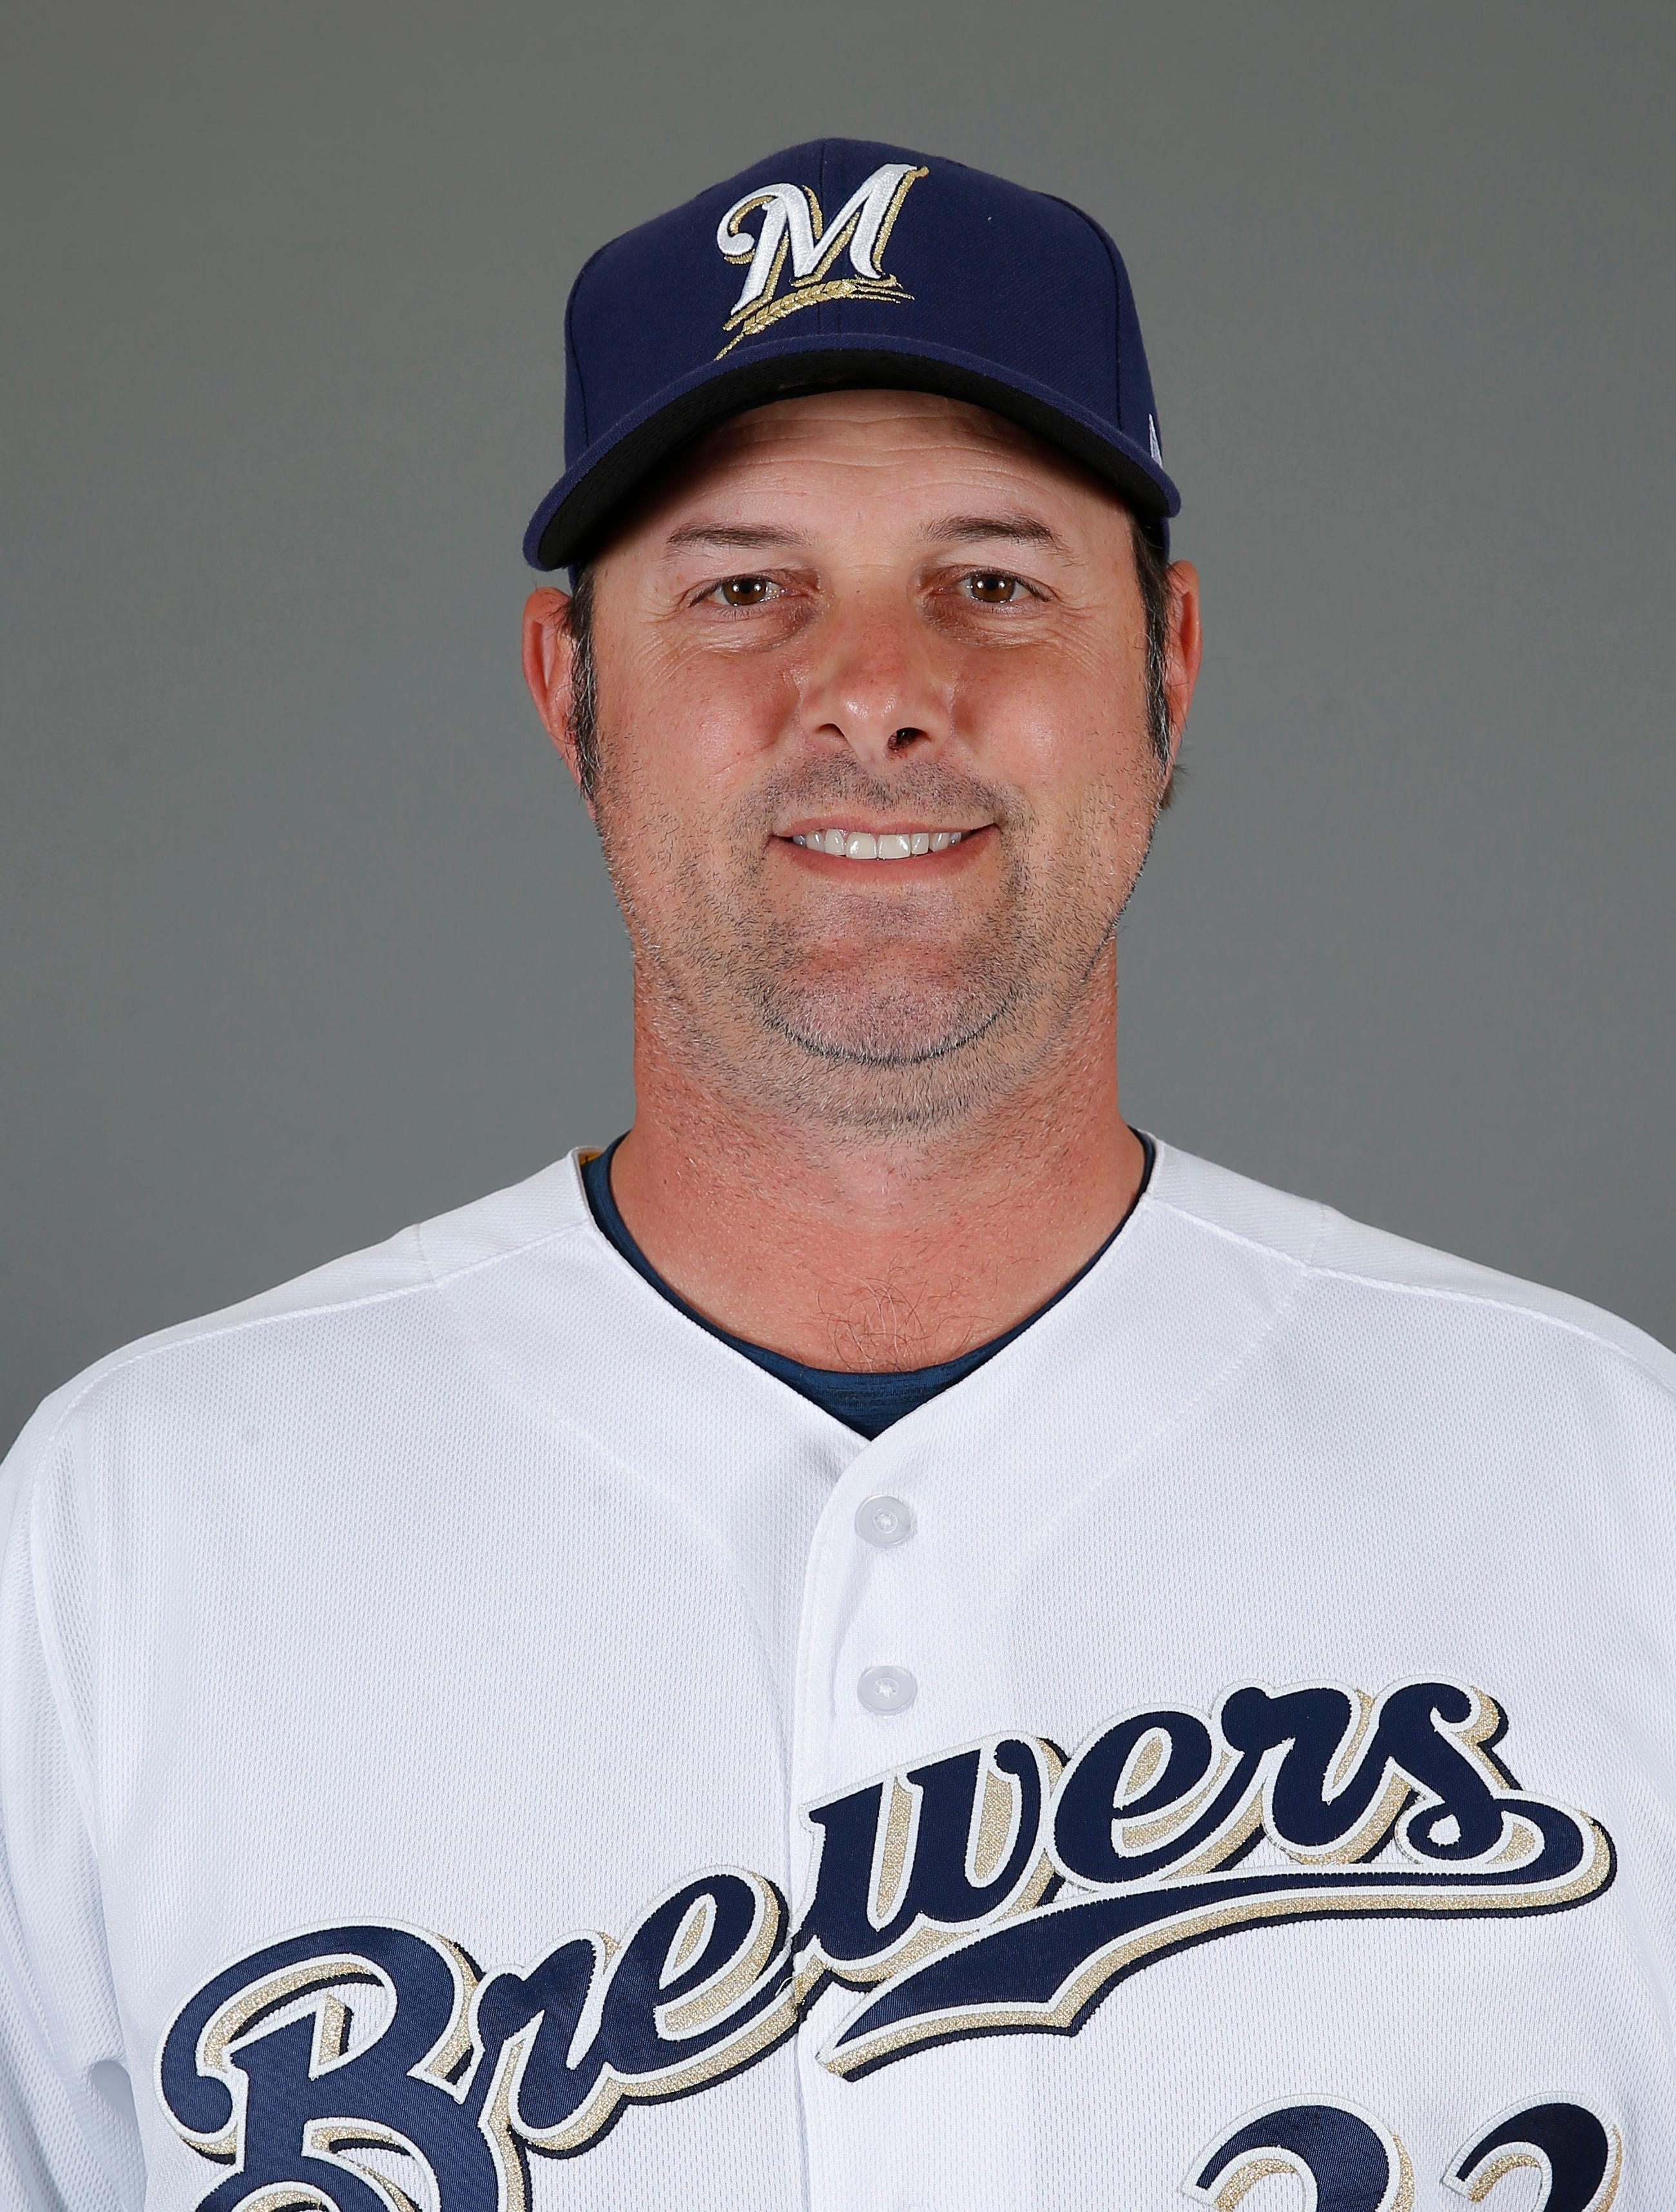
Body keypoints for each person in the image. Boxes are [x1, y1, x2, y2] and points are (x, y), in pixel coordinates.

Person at [1, 137, 1670, 2212]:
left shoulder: (1615, 1488)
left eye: (991, 579)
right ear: (567, 690)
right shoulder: (126, 1534)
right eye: (740, 588)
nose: (875, 691)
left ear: (1165, 667)